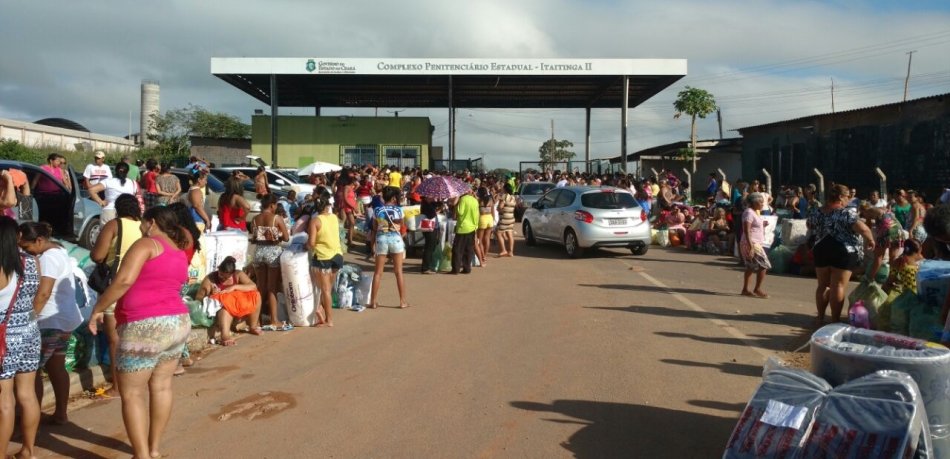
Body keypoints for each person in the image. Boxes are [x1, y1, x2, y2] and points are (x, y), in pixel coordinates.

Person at [88, 206, 191, 459]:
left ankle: (141, 455)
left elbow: (123, 281)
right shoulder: (178, 251)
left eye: (143, 224)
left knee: (132, 393)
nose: (142, 228)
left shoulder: (146, 245)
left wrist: (97, 309)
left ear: (151, 222)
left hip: (145, 326)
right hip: (177, 322)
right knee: (162, 387)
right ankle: (153, 449)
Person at [17, 222, 82, 425]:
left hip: (49, 320)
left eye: (26, 247)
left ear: (39, 240)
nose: (25, 251)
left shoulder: (48, 259)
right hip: (63, 319)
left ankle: (30, 418)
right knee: (56, 366)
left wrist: (28, 319)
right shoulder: (59, 251)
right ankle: (60, 413)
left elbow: (43, 293)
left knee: (31, 371)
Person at [90, 194, 143, 393]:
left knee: (115, 339)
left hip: (116, 286)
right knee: (134, 336)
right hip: (138, 285)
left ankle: (118, 384)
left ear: (118, 209)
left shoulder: (114, 225)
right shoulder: (143, 227)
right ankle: (138, 378)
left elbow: (97, 255)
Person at [0, 216, 41, 459]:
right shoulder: (32, 261)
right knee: (27, 394)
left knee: (5, 398)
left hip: (5, 338)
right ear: (17, 237)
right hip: (30, 331)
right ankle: (29, 450)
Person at [808, 184, 875, 325]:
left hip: (821, 248)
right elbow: (862, 228)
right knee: (838, 286)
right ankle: (835, 320)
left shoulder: (817, 211)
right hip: (842, 250)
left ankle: (820, 317)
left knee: (822, 285)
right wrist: (870, 239)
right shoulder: (846, 213)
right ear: (840, 197)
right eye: (847, 196)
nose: (849, 199)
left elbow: (809, 225)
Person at [195, 256, 262, 345]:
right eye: (221, 274)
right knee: (225, 303)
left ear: (232, 273)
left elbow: (253, 286)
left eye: (227, 277)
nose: (223, 278)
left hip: (238, 306)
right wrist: (212, 294)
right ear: (218, 268)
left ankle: (253, 326)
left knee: (256, 295)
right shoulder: (210, 279)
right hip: (222, 310)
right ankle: (225, 335)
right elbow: (199, 298)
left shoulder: (238, 275)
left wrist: (234, 287)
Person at [249, 195, 289, 329]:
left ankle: (257, 320)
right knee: (272, 287)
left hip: (258, 252)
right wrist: (276, 235)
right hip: (273, 252)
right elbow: (287, 237)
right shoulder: (276, 218)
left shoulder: (255, 219)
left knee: (260, 287)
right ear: (272, 205)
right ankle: (273, 320)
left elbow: (254, 239)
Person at [306, 193, 343, 324]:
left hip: (323, 258)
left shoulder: (315, 221)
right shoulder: (334, 217)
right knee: (329, 288)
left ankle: (329, 320)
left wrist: (304, 245)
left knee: (325, 289)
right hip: (337, 256)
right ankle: (322, 310)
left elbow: (311, 243)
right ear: (328, 206)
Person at [368, 186, 408, 309]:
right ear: (393, 198)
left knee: (378, 273)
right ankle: (402, 301)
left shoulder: (377, 210)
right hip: (395, 239)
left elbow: (374, 229)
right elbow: (402, 228)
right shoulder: (399, 210)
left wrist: (372, 244)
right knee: (398, 272)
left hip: (381, 239)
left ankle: (373, 301)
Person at [859, 203, 904, 283]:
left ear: (863, 210)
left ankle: (869, 278)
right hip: (897, 229)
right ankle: (892, 278)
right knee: (893, 257)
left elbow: (868, 227)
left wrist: (869, 240)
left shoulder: (868, 211)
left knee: (878, 256)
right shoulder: (880, 208)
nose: (863, 215)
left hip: (886, 230)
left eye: (862, 214)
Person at [739, 193, 772, 298]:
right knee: (764, 265)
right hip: (752, 243)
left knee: (751, 266)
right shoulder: (749, 213)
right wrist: (751, 246)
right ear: (754, 202)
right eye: (761, 202)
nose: (763, 204)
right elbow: (746, 230)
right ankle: (757, 289)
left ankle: (745, 289)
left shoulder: (754, 212)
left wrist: (763, 225)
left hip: (753, 242)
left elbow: (753, 226)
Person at [451, 190, 478, 275]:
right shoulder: (475, 200)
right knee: (468, 249)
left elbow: (460, 212)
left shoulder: (463, 199)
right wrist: (475, 226)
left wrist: (456, 205)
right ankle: (467, 268)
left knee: (457, 249)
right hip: (472, 227)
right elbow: (477, 214)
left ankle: (456, 269)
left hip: (463, 227)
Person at [419, 197, 442, 274]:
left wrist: (439, 200)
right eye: (431, 196)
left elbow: (437, 205)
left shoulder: (429, 204)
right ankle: (425, 268)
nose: (433, 197)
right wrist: (436, 212)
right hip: (429, 228)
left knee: (432, 246)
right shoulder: (425, 205)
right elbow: (431, 215)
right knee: (429, 247)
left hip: (432, 227)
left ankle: (428, 265)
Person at [495, 184, 516, 257]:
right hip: (511, 217)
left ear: (505, 189)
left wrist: (498, 208)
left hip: (504, 217)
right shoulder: (513, 197)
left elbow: (500, 207)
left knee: (498, 233)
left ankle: (503, 250)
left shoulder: (504, 196)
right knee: (510, 234)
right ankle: (511, 252)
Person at [475, 187, 494, 266]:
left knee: (479, 239)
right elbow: (493, 211)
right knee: (487, 238)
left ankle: (482, 255)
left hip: (482, 218)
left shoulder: (479, 200)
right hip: (490, 218)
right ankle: (485, 255)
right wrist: (493, 219)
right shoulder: (490, 200)